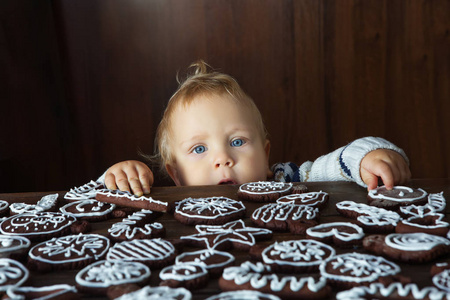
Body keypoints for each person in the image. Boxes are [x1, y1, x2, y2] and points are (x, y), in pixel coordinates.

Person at [100, 60, 411, 196]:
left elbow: (336, 165)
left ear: (265, 155)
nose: (222, 159)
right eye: (199, 149)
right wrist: (118, 177)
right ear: (177, 174)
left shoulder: (286, 180)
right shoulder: (169, 199)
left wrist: (368, 156)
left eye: (237, 142)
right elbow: (94, 203)